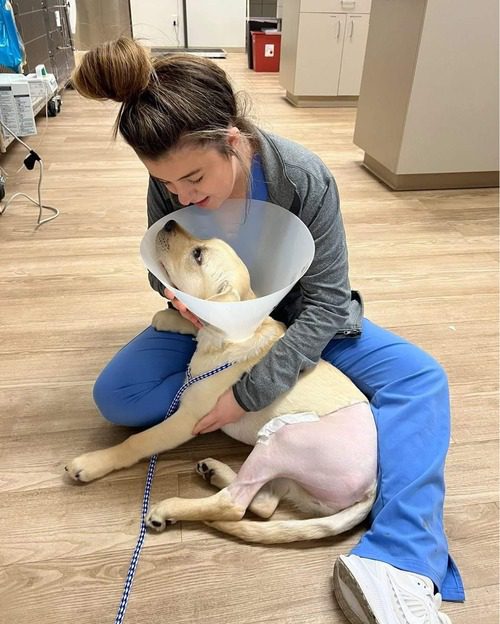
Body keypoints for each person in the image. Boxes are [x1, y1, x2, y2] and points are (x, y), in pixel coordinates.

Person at [72, 38, 464, 623]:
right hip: (212, 326)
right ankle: (274, 430)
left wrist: (246, 394)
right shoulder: (172, 177)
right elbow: (163, 260)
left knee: (422, 379)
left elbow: (328, 302)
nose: (182, 195)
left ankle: (401, 559)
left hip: (305, 324)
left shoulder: (303, 176)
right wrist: (177, 301)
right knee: (116, 399)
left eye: (194, 178)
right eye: (168, 185)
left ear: (231, 141)